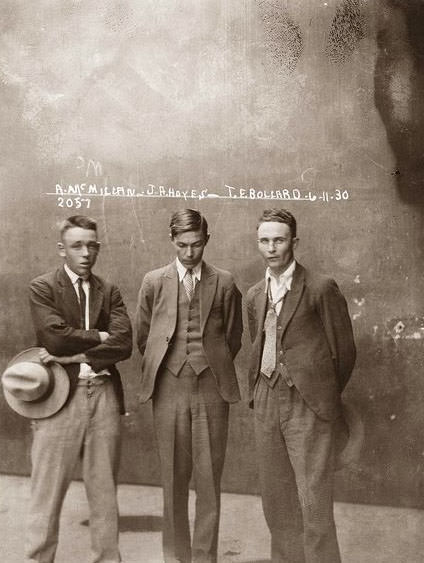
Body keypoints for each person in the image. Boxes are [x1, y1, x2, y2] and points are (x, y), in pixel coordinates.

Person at [246, 208, 356, 563]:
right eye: (264, 240)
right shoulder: (253, 294)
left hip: (307, 405)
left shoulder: (320, 288)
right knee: (276, 502)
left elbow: (344, 352)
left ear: (294, 242)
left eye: (278, 240)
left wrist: (318, 396)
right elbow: (259, 342)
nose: (271, 248)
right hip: (265, 400)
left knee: (314, 504)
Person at [136, 209, 242, 563]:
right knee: (172, 478)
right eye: (182, 245)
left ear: (206, 240)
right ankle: (175, 557)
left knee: (209, 480)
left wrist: (209, 362)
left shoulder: (224, 282)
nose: (189, 253)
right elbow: (145, 336)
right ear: (172, 241)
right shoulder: (153, 281)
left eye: (196, 245)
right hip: (168, 387)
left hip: (212, 388)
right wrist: (169, 366)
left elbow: (233, 336)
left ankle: (203, 558)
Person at [27, 215, 132, 563]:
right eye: (77, 245)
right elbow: (53, 336)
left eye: (92, 245)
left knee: (104, 493)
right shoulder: (42, 287)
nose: (86, 253)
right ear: (62, 249)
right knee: (47, 493)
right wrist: (100, 337)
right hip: (58, 398)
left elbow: (125, 343)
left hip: (103, 394)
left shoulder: (109, 290)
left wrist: (73, 355)